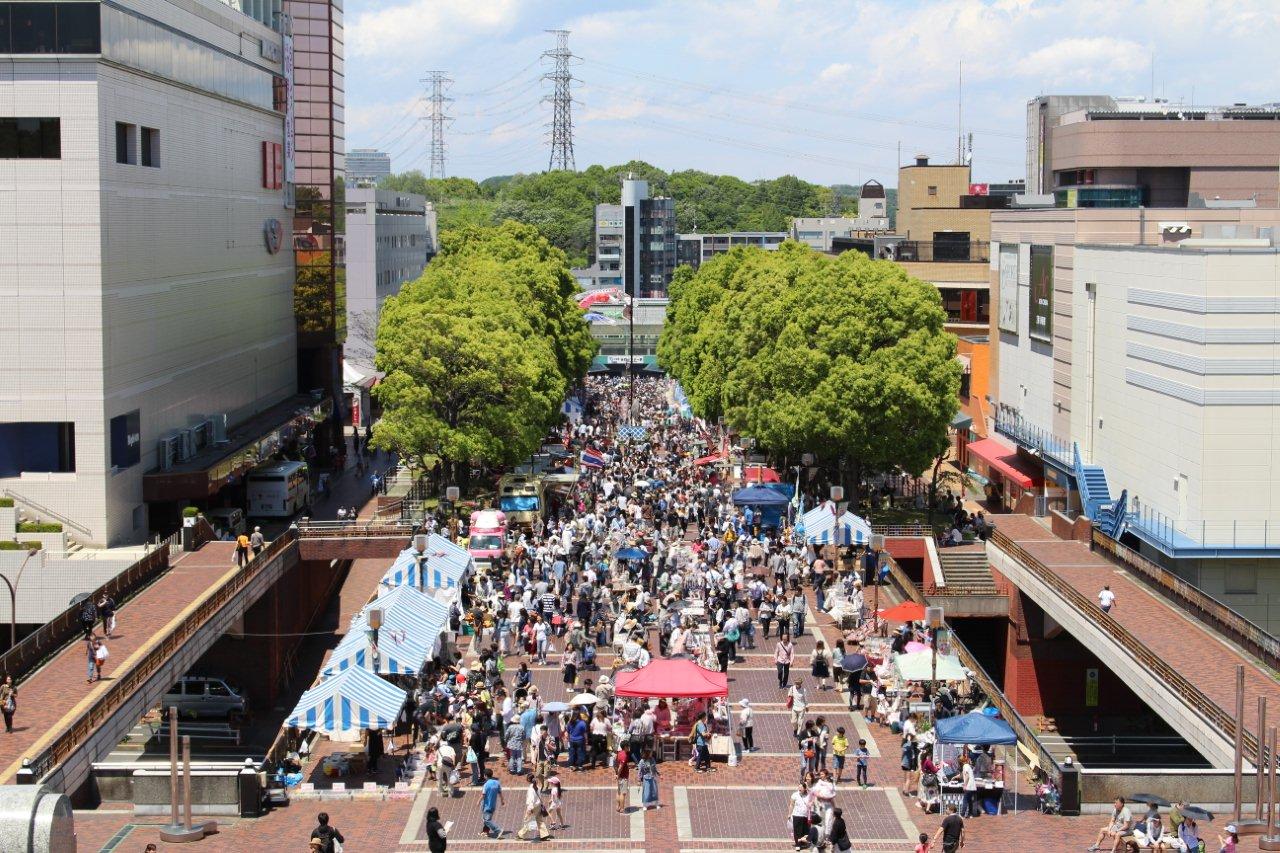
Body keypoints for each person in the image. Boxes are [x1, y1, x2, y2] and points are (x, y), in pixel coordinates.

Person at [515, 774, 551, 841]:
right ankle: (544, 835)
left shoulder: (531, 789)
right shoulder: (537, 787)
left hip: (532, 807)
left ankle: (521, 834)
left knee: (527, 821)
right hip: (538, 806)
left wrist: (529, 809)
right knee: (539, 820)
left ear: (528, 780)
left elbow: (531, 800)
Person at [479, 768, 504, 839]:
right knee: (487, 818)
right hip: (493, 805)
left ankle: (498, 830)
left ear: (485, 776)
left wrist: (478, 801)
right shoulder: (497, 782)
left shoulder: (486, 784)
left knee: (486, 820)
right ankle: (485, 831)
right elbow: (500, 793)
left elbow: (483, 795)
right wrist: (502, 800)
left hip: (486, 805)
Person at [789, 780, 813, 851]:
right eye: (798, 787)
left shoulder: (808, 795)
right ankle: (797, 844)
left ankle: (802, 842)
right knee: (797, 830)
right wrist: (789, 814)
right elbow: (791, 805)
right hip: (796, 814)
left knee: (804, 830)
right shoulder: (794, 795)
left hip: (805, 815)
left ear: (805, 788)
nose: (799, 789)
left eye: (801, 787)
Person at [615, 744, 630, 814]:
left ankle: (618, 807)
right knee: (623, 793)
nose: (629, 747)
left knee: (618, 792)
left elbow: (616, 762)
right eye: (628, 746)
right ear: (625, 747)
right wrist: (618, 774)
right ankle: (622, 808)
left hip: (620, 776)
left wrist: (617, 774)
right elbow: (621, 766)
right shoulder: (624, 755)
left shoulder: (619, 753)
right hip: (623, 776)